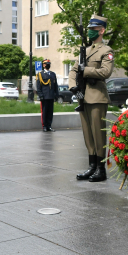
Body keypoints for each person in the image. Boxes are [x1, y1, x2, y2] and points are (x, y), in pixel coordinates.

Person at [68, 15, 114, 182]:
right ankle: (92, 166)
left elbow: (105, 72)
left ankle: (101, 169)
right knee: (88, 133)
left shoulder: (106, 51)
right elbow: (73, 71)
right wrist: (72, 85)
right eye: (89, 30)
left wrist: (85, 70)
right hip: (83, 97)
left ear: (101, 31)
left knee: (98, 133)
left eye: (93, 30)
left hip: (97, 97)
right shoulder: (85, 51)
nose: (90, 32)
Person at [36, 58, 59, 132]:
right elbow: (38, 86)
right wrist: (40, 95)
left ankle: (49, 126)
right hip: (44, 96)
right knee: (45, 112)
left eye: (49, 64)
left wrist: (56, 95)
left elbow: (55, 85)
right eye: (46, 64)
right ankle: (44, 126)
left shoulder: (53, 74)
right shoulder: (40, 74)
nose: (48, 65)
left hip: (51, 96)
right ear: (43, 65)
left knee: (50, 112)